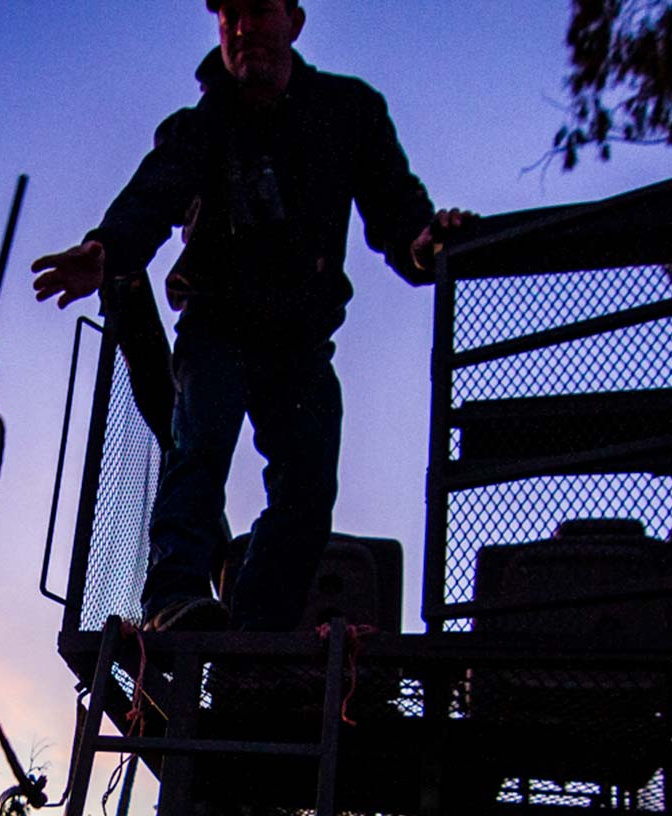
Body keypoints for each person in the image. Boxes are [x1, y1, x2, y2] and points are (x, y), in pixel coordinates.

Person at [33, 0, 469, 632]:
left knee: (308, 489)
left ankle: (261, 626)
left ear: (292, 20)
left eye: (259, 12)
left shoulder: (347, 111)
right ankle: (173, 600)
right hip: (219, 322)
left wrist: (423, 244)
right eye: (229, 15)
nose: (244, 29)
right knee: (199, 447)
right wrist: (107, 249)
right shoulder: (203, 124)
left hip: (300, 337)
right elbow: (156, 191)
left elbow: (396, 210)